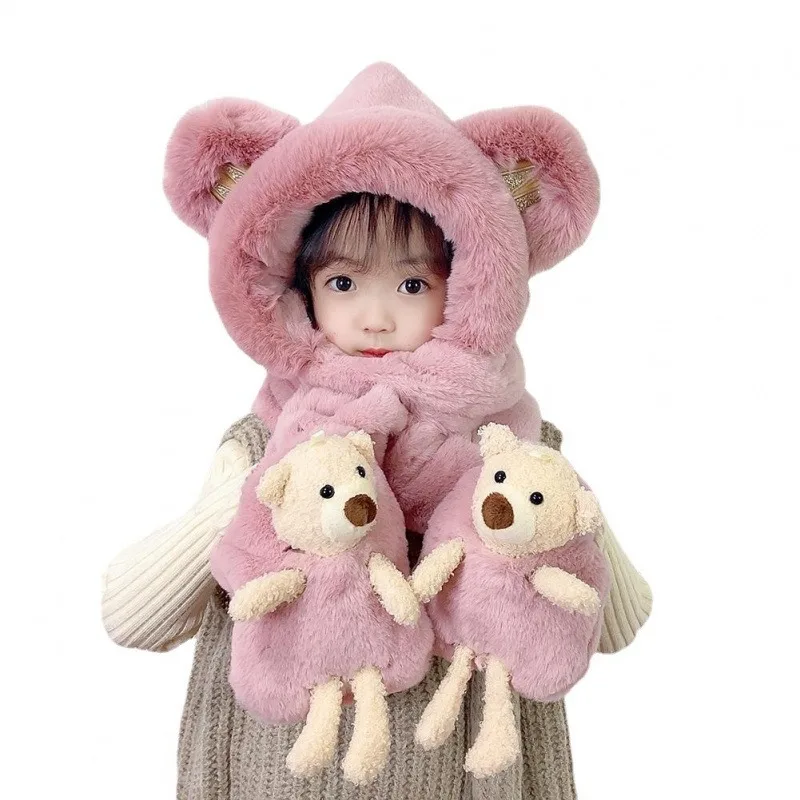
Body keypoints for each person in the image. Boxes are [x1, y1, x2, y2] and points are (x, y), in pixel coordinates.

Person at [102, 62, 652, 799]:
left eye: (413, 284)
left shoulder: (515, 457)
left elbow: (616, 625)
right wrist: (249, 497)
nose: (376, 317)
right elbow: (131, 619)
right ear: (299, 291)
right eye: (343, 283)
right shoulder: (265, 448)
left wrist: (558, 520)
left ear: (470, 287)